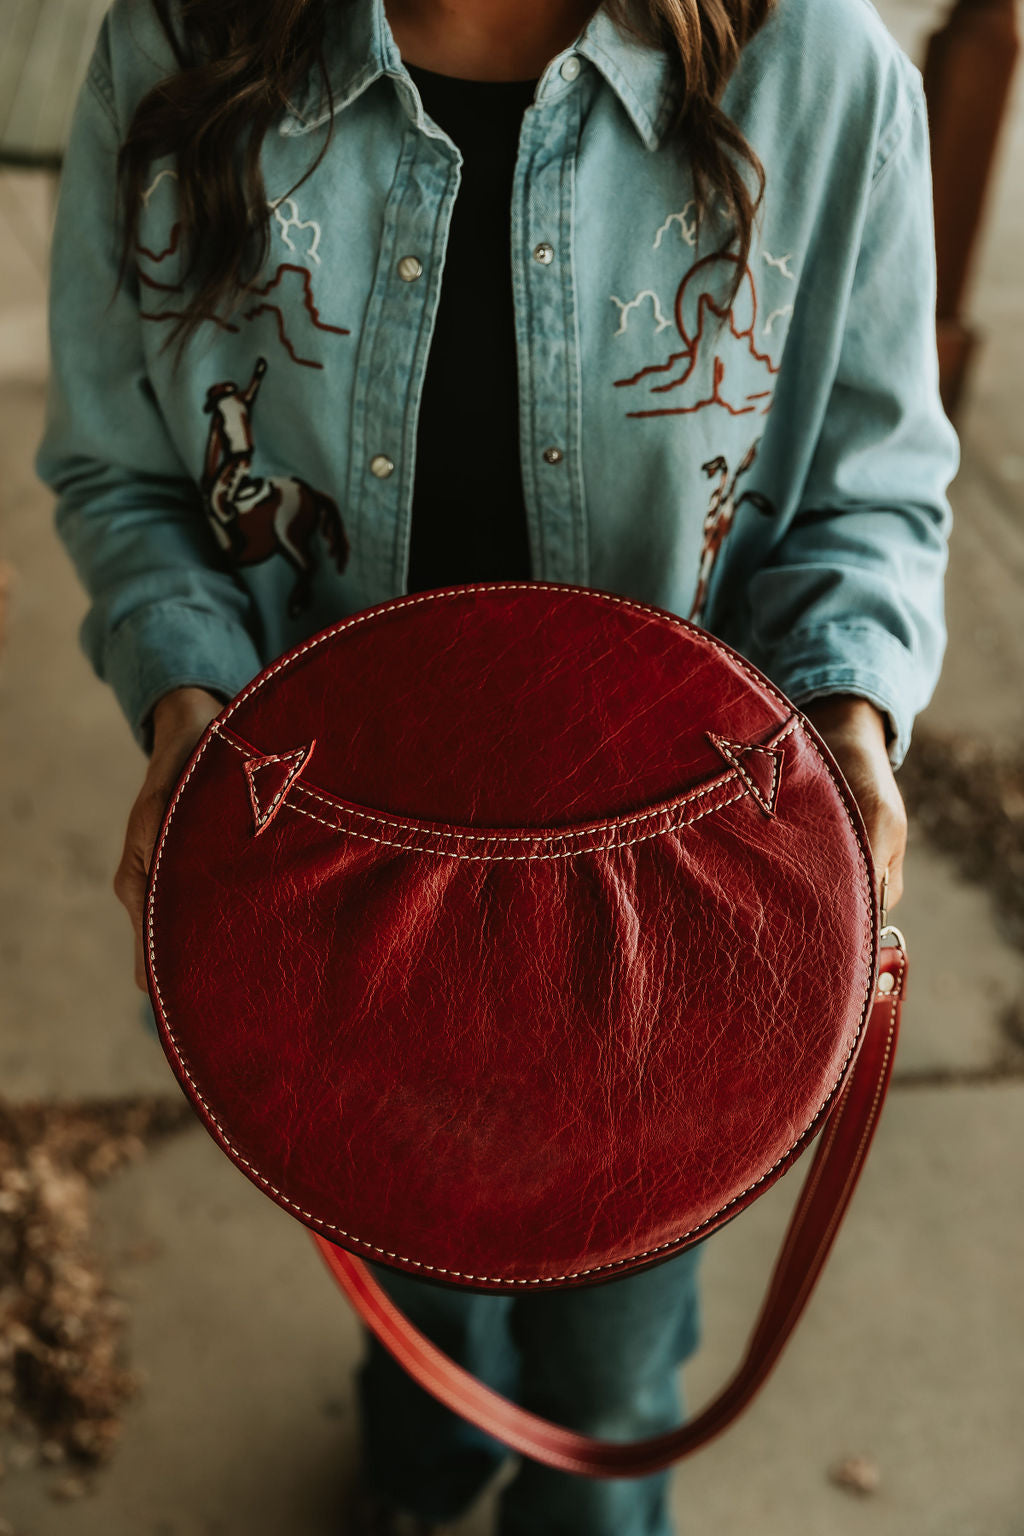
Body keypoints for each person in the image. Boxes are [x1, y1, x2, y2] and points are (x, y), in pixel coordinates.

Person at [35, 0, 958, 1530]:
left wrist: (848, 718)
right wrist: (186, 699)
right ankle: (419, 1460)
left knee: (609, 1367)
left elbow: (865, 492)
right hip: (329, 869)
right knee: (411, 1290)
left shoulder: (819, 69)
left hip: (680, 898)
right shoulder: (180, 37)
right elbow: (125, 465)